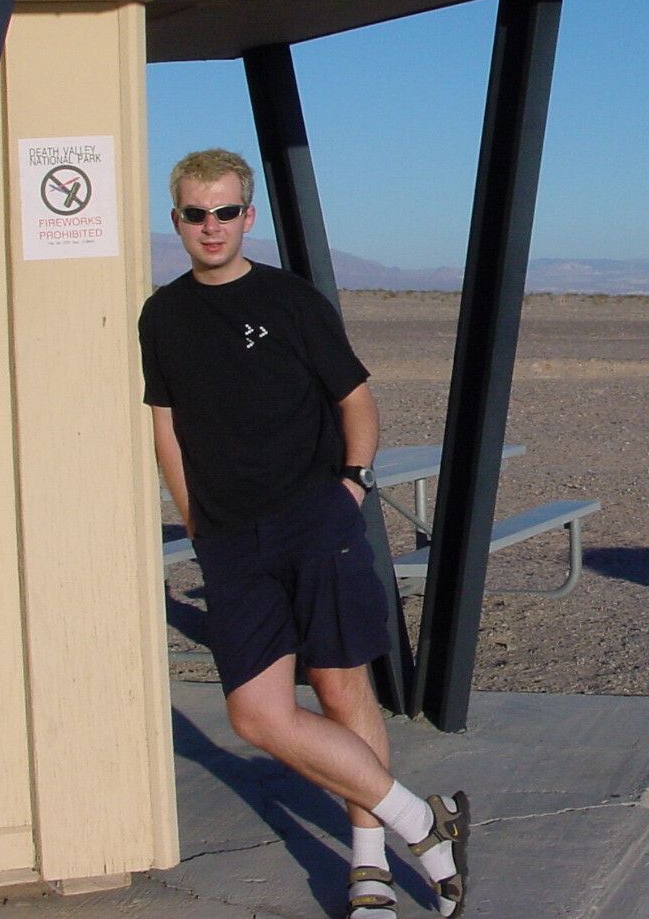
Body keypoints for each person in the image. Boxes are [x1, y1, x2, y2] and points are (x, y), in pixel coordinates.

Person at [138, 149, 467, 918]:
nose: (211, 227)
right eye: (196, 213)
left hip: (313, 516)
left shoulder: (289, 300)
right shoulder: (163, 314)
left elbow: (355, 398)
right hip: (229, 539)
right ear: (177, 219)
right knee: (257, 715)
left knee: (337, 684)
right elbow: (167, 429)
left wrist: (349, 485)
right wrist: (197, 525)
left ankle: (368, 868)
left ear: (248, 216)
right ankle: (421, 819)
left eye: (225, 212)